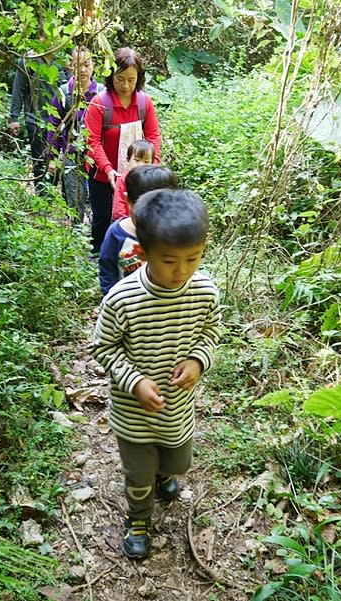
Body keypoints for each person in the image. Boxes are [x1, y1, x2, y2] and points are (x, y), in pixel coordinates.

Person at [91, 188, 221, 560]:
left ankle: (166, 475)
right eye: (169, 261)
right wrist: (135, 381)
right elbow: (103, 347)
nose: (181, 271)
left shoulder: (205, 291)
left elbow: (211, 333)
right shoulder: (122, 298)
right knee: (138, 475)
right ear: (143, 252)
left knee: (178, 462)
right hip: (134, 415)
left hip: (177, 409)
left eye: (192, 258)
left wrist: (198, 361)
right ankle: (138, 520)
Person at [84, 47, 162, 255]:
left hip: (136, 174)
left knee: (133, 217)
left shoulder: (145, 103)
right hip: (102, 175)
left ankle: (128, 258)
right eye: (120, 79)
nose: (125, 85)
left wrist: (151, 168)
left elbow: (153, 135)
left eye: (131, 79)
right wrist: (108, 170)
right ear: (111, 76)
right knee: (102, 217)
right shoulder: (99, 104)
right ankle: (99, 258)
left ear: (139, 78)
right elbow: (92, 141)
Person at [99, 164, 179, 295]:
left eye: (159, 210)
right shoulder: (117, 234)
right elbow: (107, 270)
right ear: (127, 200)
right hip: (127, 303)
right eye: (144, 210)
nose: (150, 218)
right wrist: (110, 298)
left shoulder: (176, 233)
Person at [46, 46, 103, 222]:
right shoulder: (64, 93)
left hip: (98, 156)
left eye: (87, 64)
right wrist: (52, 157)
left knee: (97, 200)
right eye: (79, 65)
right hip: (71, 154)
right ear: (71, 66)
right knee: (74, 198)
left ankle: (97, 238)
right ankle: (76, 236)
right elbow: (54, 126)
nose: (83, 70)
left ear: (93, 64)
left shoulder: (101, 93)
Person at [9, 50, 68, 188]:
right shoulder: (30, 60)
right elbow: (18, 89)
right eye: (47, 36)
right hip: (35, 120)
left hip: (59, 123)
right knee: (40, 164)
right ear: (41, 37)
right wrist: (14, 117)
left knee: (57, 164)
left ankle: (53, 199)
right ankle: (42, 201)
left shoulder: (62, 60)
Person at [111, 139, 155, 221]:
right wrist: (123, 221)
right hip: (124, 221)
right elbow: (119, 204)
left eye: (146, 161)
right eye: (137, 160)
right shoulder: (123, 179)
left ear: (152, 163)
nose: (141, 165)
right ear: (128, 159)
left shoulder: (152, 180)